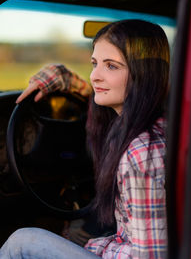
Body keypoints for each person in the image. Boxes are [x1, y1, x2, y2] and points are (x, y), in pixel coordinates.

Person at [0, 19, 169, 259]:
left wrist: (97, 246)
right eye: (94, 63)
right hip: (120, 244)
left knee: (22, 241)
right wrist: (57, 75)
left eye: (111, 66)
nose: (95, 76)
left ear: (144, 74)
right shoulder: (158, 122)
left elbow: (151, 255)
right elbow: (91, 91)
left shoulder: (141, 151)